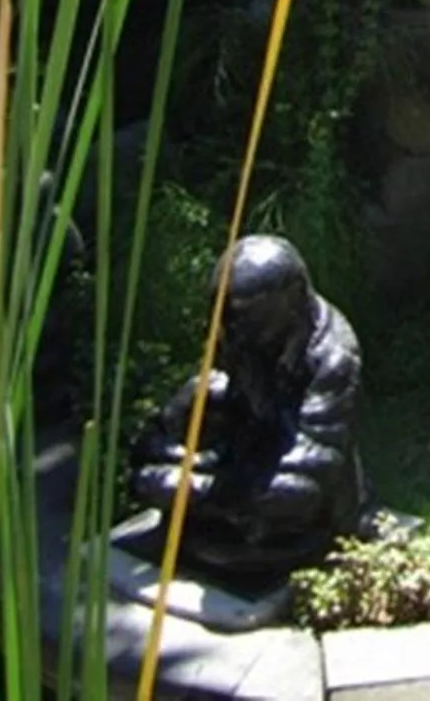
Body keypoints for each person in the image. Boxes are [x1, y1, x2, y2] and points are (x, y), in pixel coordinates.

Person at [130, 236, 366, 583]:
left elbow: (310, 476)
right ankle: (217, 510)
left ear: (287, 311)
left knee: (291, 496)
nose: (227, 339)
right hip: (245, 451)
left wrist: (195, 488)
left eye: (240, 329)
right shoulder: (243, 330)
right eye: (224, 327)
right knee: (195, 398)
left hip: (299, 489)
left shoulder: (333, 360)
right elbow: (226, 390)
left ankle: (219, 513)